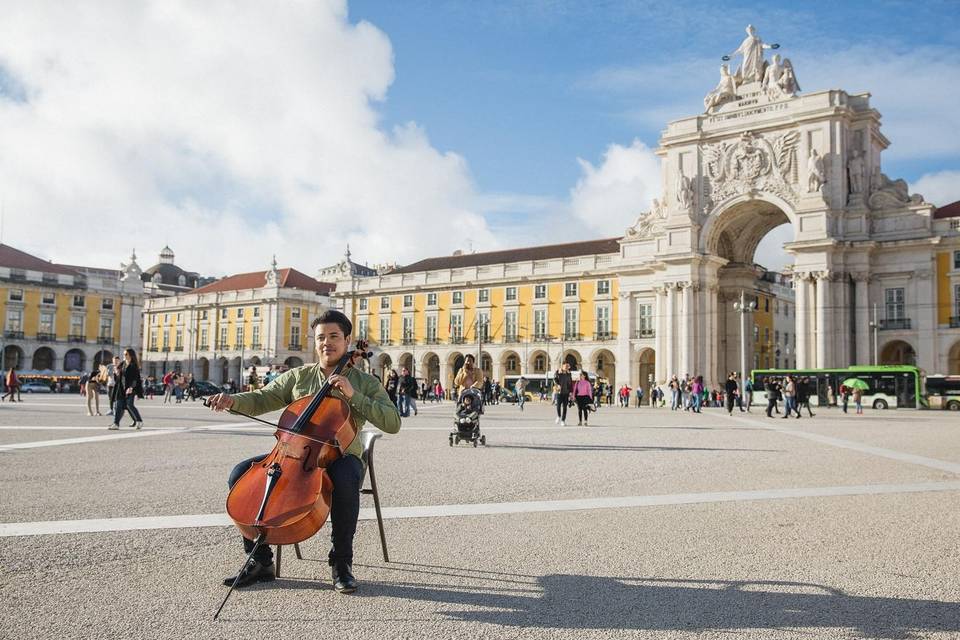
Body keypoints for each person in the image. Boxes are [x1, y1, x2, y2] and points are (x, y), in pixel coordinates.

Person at [209, 310, 401, 594]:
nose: (327, 343)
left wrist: (353, 395)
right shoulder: (299, 376)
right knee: (240, 474)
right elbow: (263, 398)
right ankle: (260, 560)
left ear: (347, 340)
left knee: (346, 477)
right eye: (321, 337)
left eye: (334, 336)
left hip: (342, 457)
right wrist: (231, 401)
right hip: (292, 455)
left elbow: (392, 422)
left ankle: (341, 563)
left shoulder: (364, 383)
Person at [109, 348, 144, 430]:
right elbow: (118, 377)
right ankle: (116, 424)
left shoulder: (133, 365)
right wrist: (116, 373)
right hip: (121, 388)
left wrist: (131, 387)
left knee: (129, 405)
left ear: (130, 355)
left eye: (126, 354)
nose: (124, 356)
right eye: (124, 354)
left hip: (130, 388)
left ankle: (139, 421)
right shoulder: (122, 364)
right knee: (118, 405)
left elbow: (135, 378)